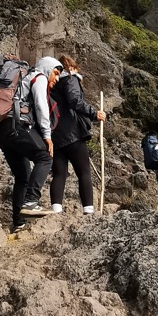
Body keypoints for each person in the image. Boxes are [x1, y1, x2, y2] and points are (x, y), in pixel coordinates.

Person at [0, 56, 61, 231]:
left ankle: (19, 222)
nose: (57, 78)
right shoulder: (39, 77)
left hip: (3, 131)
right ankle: (31, 201)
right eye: (55, 72)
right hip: (16, 125)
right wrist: (47, 136)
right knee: (45, 156)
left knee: (23, 175)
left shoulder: (26, 79)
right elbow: (41, 107)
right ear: (47, 69)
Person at [49, 54, 106, 215]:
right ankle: (88, 210)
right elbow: (74, 100)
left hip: (55, 134)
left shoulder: (51, 85)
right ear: (71, 67)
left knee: (59, 173)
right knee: (84, 172)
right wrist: (95, 113)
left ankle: (56, 210)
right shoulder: (70, 79)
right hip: (72, 133)